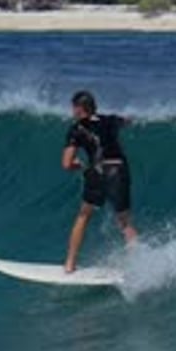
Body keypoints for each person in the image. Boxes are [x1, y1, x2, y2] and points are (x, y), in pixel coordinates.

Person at [62, 90, 138, 273]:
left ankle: (70, 264)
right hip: (119, 170)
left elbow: (66, 164)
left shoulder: (76, 129)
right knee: (125, 223)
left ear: (80, 109)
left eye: (74, 107)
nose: (72, 111)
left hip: (98, 172)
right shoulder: (110, 120)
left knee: (83, 216)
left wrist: (76, 164)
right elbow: (128, 121)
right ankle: (138, 266)